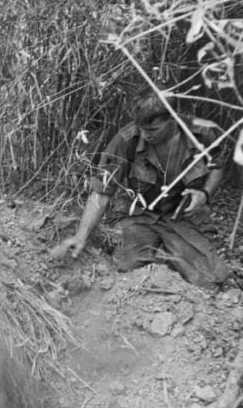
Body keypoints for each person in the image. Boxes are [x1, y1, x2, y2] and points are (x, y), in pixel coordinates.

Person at [49, 85, 230, 288]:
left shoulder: (200, 133)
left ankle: (170, 255)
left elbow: (218, 165)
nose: (145, 135)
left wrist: (204, 194)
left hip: (182, 218)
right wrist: (81, 236)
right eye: (142, 128)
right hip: (140, 217)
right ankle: (159, 254)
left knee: (209, 279)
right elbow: (102, 191)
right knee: (124, 267)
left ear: (172, 119)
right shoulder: (127, 140)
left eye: (152, 129)